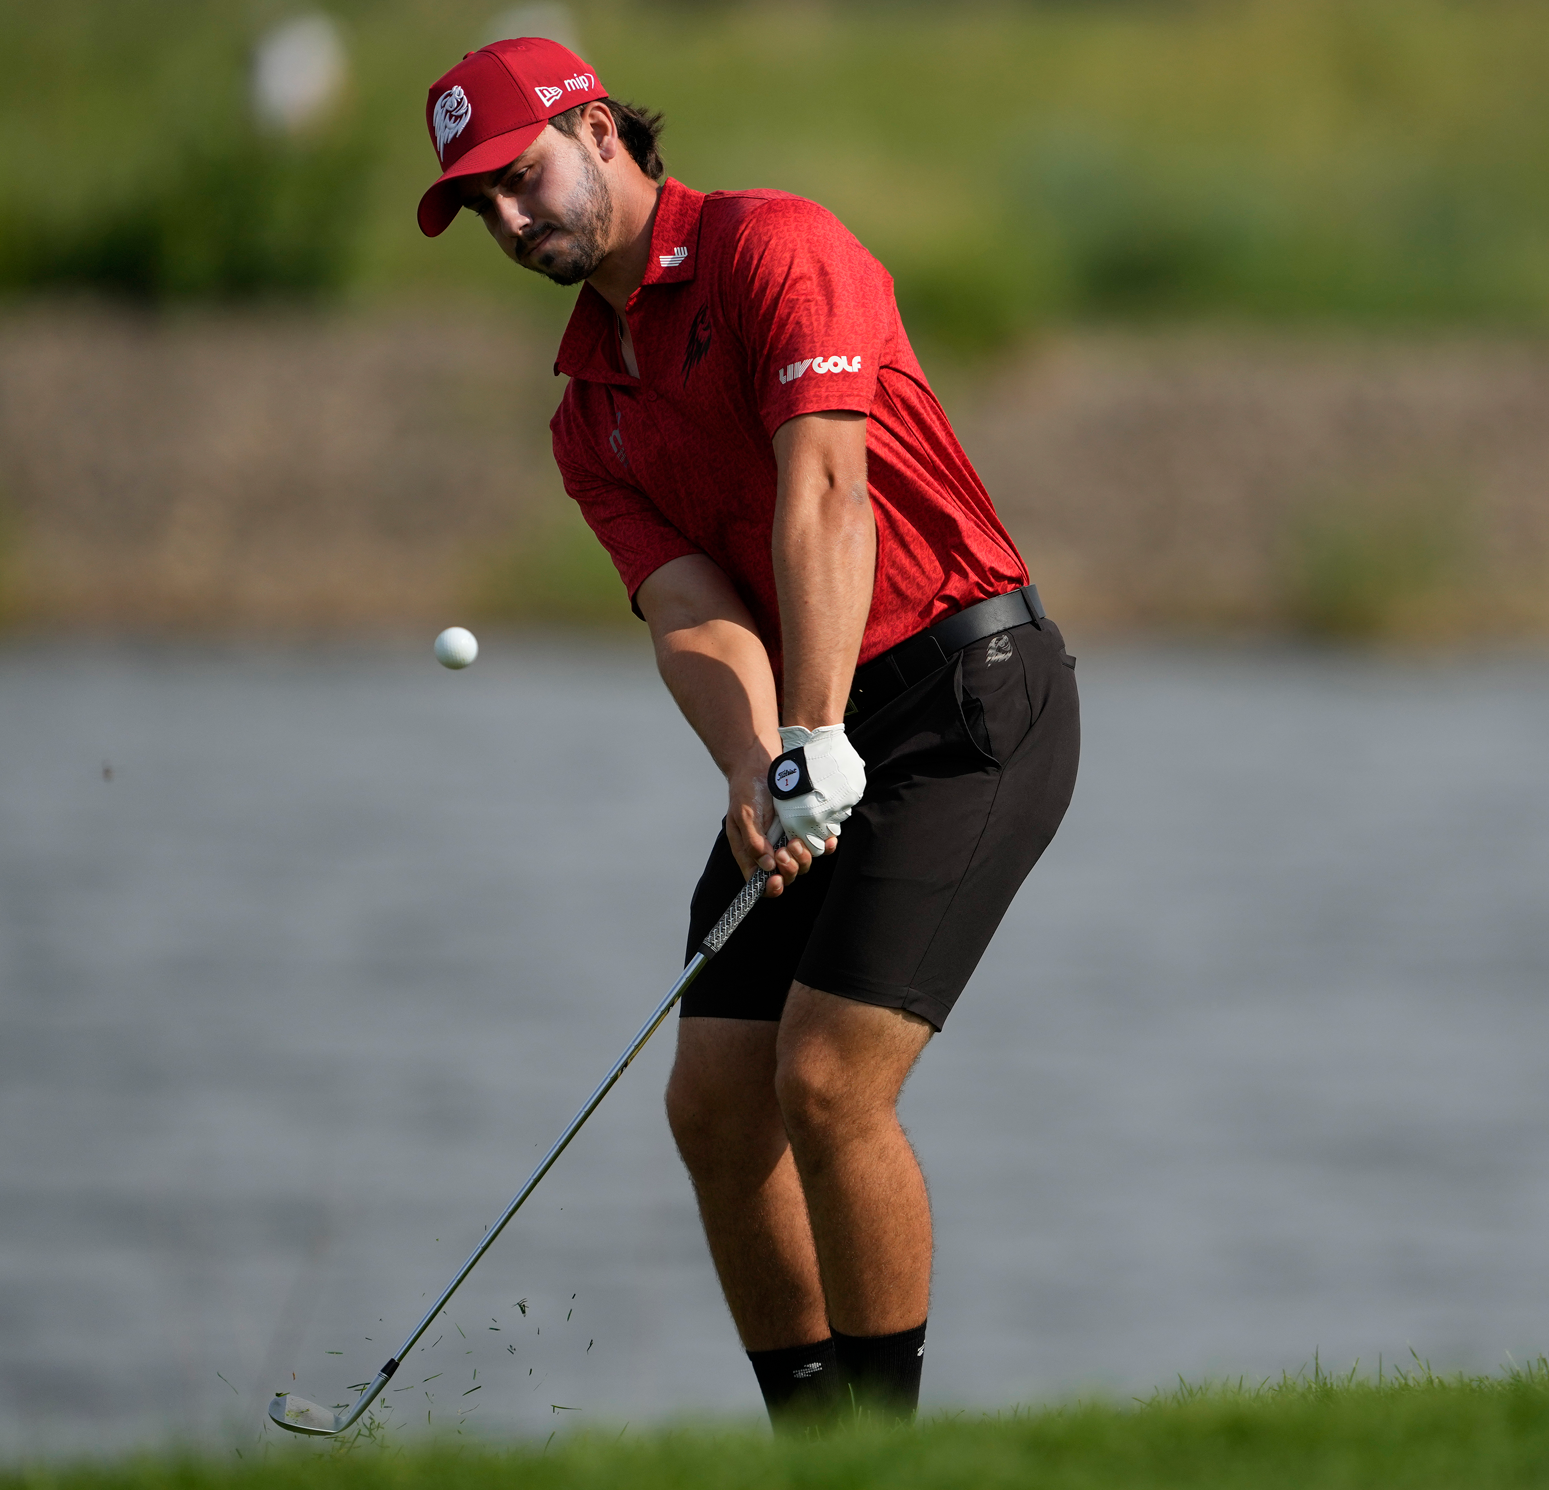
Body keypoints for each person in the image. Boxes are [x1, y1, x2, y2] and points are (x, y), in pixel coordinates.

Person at [411, 37, 1080, 1426]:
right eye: (479, 205)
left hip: (968, 698)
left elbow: (829, 495)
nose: (510, 220)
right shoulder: (588, 406)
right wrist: (755, 758)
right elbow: (690, 606)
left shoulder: (777, 247)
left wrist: (816, 736)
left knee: (828, 1080)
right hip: (810, 734)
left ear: (598, 130)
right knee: (717, 1104)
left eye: (519, 178)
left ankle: (883, 1453)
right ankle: (812, 1443)